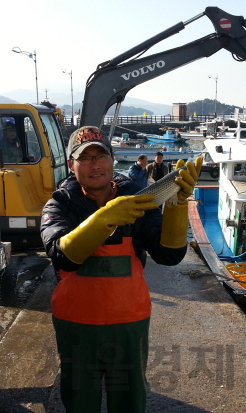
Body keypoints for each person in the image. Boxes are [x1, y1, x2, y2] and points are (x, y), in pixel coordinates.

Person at [40, 126, 202, 413]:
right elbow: (61, 254)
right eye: (85, 158)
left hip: (130, 320)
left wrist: (177, 205)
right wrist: (104, 219)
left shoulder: (139, 198)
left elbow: (168, 255)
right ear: (71, 165)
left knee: (129, 399)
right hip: (76, 323)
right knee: (80, 398)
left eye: (100, 155)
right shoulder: (59, 204)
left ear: (112, 159)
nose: (95, 164)